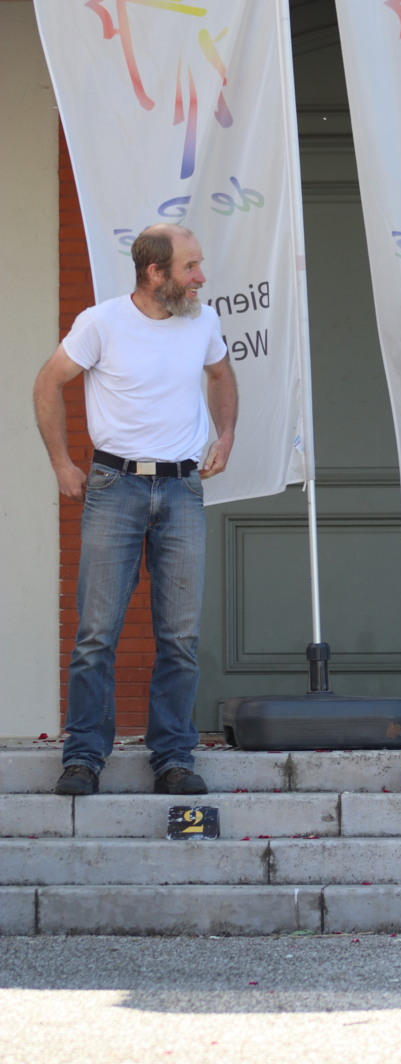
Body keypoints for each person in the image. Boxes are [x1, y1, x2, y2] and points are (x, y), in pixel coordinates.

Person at [34, 223, 238, 796]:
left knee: (180, 636)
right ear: (155, 272)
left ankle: (173, 758)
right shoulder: (101, 323)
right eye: (190, 267)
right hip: (114, 487)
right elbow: (47, 384)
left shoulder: (203, 322)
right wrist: (61, 463)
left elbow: (221, 375)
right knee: (96, 634)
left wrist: (225, 435)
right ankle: (83, 758)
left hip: (181, 490)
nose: (201, 277)